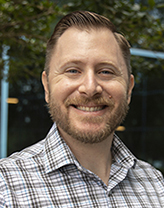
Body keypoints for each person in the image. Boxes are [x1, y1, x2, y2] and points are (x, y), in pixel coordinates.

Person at [0, 11, 163, 208]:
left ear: (128, 89)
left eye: (105, 71)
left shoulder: (155, 185)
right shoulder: (5, 188)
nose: (90, 88)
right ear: (47, 86)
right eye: (73, 70)